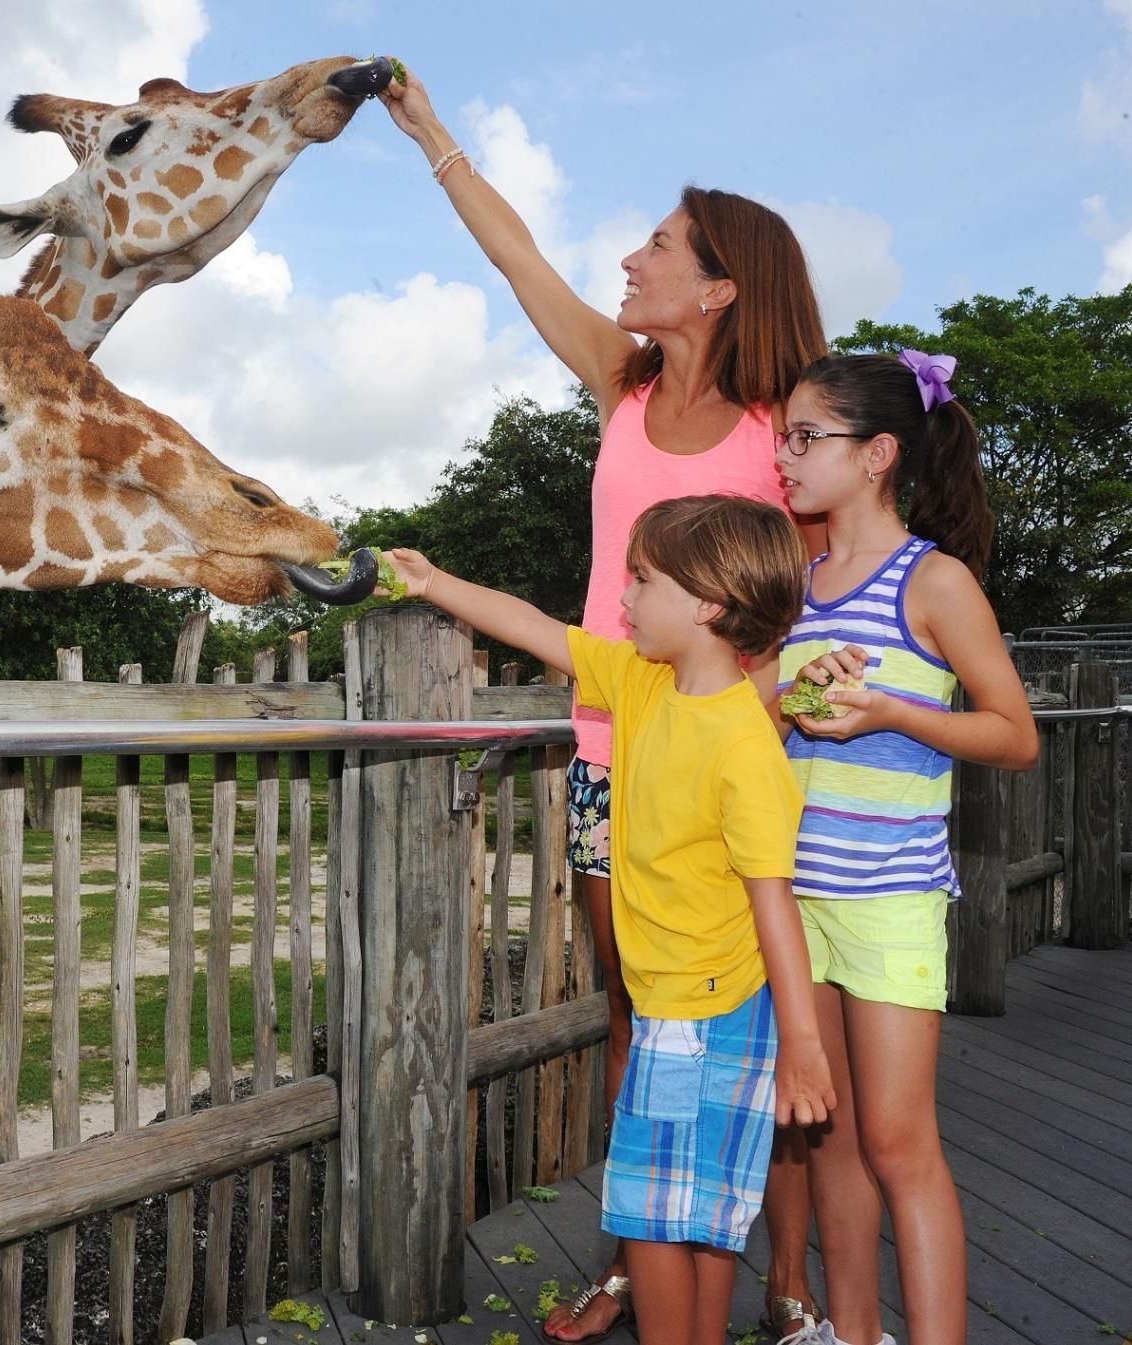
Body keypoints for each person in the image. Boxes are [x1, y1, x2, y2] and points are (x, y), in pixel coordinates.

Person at [379, 64, 830, 1342]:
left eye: (658, 244)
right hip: (604, 743)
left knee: (744, 1026)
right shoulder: (619, 382)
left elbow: (818, 578)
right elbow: (519, 260)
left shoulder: (774, 425)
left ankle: (785, 1291)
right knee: (640, 1016)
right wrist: (432, 137)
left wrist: (798, 700)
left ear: (720, 285)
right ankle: (641, 1273)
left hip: (723, 760)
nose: (630, 258)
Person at [388, 497, 836, 1345]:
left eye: (641, 579)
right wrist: (433, 579)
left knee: (654, 1219)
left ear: (706, 603)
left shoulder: (743, 746)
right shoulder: (641, 680)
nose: (622, 597)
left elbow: (775, 904)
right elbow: (536, 628)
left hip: (699, 1014)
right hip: (706, 1003)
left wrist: (804, 1051)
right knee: (697, 1214)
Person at [775, 352, 1038, 1345]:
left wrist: (886, 708)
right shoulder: (792, 586)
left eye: (806, 438)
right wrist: (794, 704)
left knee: (897, 1143)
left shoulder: (933, 582)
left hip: (887, 898)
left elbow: (1013, 735)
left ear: (875, 454)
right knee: (831, 1138)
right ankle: (852, 1334)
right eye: (783, 436)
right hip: (795, 902)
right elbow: (760, 729)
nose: (783, 455)